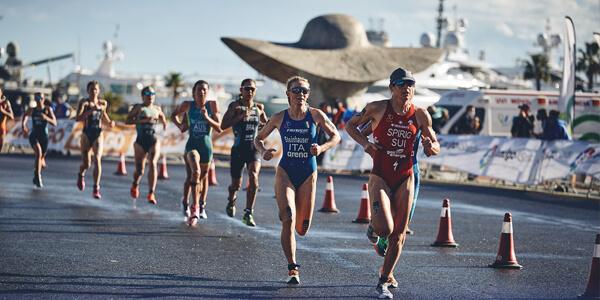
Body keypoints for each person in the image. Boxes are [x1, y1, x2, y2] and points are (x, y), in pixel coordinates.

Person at [345, 67, 440, 299]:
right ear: (392, 88)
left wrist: (430, 147)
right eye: (401, 84)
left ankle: (383, 280)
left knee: (399, 233)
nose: (406, 89)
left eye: (410, 84)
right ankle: (373, 226)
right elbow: (350, 126)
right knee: (384, 229)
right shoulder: (378, 108)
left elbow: (436, 145)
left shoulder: (420, 114)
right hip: (381, 175)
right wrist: (366, 145)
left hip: (405, 175)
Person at [254, 76, 340, 284]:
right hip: (285, 172)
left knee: (302, 228)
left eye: (304, 91)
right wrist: (263, 151)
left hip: (308, 174)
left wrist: (321, 148)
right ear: (288, 94)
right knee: (289, 218)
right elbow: (258, 138)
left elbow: (335, 136)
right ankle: (293, 267)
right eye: (296, 90)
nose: (300, 94)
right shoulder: (279, 118)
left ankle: (292, 225)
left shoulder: (315, 115)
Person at [171, 80, 222, 226]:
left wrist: (207, 118)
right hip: (192, 145)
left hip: (206, 147)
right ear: (194, 92)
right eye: (199, 89)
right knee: (195, 173)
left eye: (205, 90)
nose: (202, 92)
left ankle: (201, 204)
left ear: (208, 92)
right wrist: (181, 126)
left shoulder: (212, 105)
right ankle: (193, 206)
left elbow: (219, 128)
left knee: (202, 178)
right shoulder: (188, 105)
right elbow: (174, 115)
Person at [220, 78, 268, 226]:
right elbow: (223, 125)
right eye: (247, 89)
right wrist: (239, 117)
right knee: (236, 184)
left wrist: (264, 121)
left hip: (253, 149)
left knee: (254, 177)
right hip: (238, 149)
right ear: (241, 90)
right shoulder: (235, 106)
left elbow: (264, 125)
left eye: (252, 89)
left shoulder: (259, 107)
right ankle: (231, 199)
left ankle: (248, 212)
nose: (250, 92)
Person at [126, 86, 168, 204]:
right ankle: (135, 184)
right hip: (140, 140)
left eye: (153, 93)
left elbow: (163, 117)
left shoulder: (157, 108)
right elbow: (127, 120)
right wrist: (141, 121)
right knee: (140, 170)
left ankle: (151, 193)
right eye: (148, 93)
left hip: (153, 139)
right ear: (143, 96)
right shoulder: (138, 107)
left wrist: (164, 123)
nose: (150, 96)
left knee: (153, 163)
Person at [75, 81, 115, 199]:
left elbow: (104, 116)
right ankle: (81, 174)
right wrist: (90, 111)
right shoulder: (84, 102)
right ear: (88, 91)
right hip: (86, 134)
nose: (94, 91)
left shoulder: (103, 103)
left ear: (99, 91)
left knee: (97, 159)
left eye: (96, 89)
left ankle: (96, 188)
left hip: (98, 133)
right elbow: (78, 118)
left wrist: (110, 123)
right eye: (91, 89)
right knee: (86, 164)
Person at [21, 92, 57, 187]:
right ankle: (38, 176)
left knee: (41, 159)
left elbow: (54, 122)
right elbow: (25, 116)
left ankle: (35, 174)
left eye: (40, 98)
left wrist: (46, 118)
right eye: (36, 98)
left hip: (44, 136)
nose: (38, 100)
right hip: (34, 135)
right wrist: (23, 125)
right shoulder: (32, 110)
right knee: (39, 153)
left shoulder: (48, 109)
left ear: (43, 99)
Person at [0, 87, 15, 152]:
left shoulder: (5, 103)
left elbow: (12, 116)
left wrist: (3, 111)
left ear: (1, 93)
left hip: (1, 130)